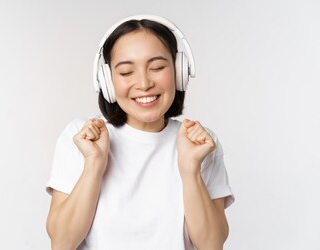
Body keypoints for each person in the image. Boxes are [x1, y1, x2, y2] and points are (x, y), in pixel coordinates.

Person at [45, 15, 234, 250]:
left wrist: (190, 170)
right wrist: (93, 164)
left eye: (156, 67)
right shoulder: (82, 138)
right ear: (106, 81)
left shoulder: (199, 143)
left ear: (179, 72)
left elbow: (212, 245)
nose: (144, 83)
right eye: (126, 72)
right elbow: (62, 243)